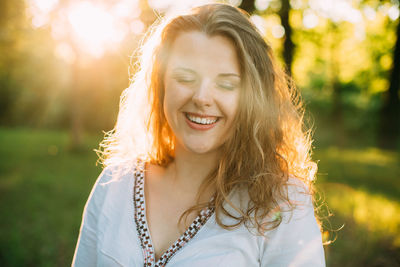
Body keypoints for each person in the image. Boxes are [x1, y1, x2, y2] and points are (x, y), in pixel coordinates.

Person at [72, 3, 325, 267]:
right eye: (185, 77)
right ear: (161, 84)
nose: (202, 97)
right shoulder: (114, 184)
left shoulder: (281, 203)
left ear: (253, 97)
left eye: (226, 84)